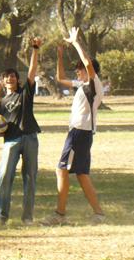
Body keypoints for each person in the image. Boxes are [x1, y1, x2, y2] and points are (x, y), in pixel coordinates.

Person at [41, 27, 105, 226]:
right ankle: (99, 214)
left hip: (79, 133)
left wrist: (76, 42)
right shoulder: (83, 86)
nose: (77, 70)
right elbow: (60, 78)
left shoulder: (94, 83)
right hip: (82, 133)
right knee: (82, 174)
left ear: (90, 71)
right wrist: (60, 56)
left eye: (80, 68)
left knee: (61, 169)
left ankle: (60, 215)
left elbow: (87, 62)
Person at [0, 37, 42, 226]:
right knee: (5, 177)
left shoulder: (25, 93)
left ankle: (27, 218)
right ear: (2, 82)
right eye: (6, 76)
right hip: (11, 141)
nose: (10, 78)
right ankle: (1, 216)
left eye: (13, 76)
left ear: (17, 79)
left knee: (30, 178)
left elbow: (33, 70)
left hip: (30, 138)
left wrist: (35, 48)